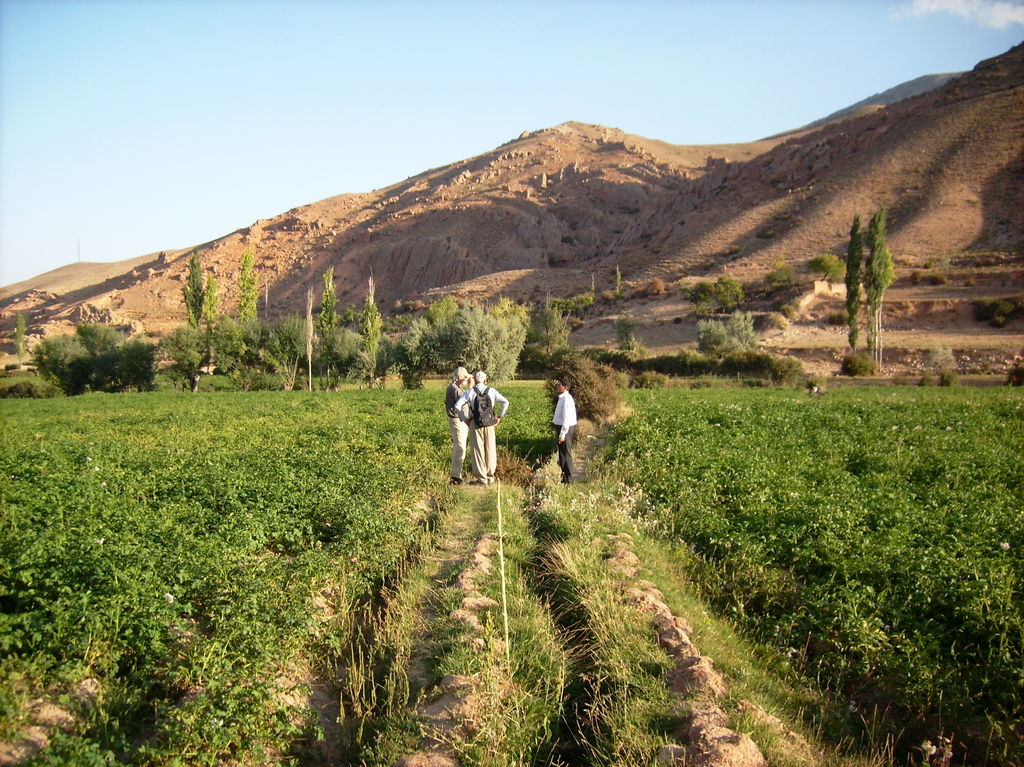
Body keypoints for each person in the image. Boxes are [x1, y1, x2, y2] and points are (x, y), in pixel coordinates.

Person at [454, 371, 510, 485]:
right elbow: (506, 402)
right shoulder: (492, 391)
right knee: (490, 449)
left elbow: (457, 406)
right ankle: (490, 477)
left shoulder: (470, 392)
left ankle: (481, 479)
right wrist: (499, 417)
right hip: (490, 424)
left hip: (475, 424)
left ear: (474, 380)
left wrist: (464, 419)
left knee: (477, 451)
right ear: (485, 380)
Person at [446, 366, 472, 484]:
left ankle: (457, 475)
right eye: (465, 376)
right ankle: (455, 477)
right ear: (458, 377)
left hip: (461, 421)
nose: (466, 378)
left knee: (461, 447)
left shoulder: (458, 387)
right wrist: (471, 387)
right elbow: (466, 399)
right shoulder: (454, 388)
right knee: (460, 448)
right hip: (457, 421)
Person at [552, 378, 577, 483]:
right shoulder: (562, 398)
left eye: (559, 385)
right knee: (562, 453)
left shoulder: (566, 399)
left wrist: (562, 434)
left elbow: (566, 419)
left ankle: (569, 478)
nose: (557, 386)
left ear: (565, 387)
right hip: (562, 428)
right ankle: (564, 477)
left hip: (565, 429)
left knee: (566, 452)